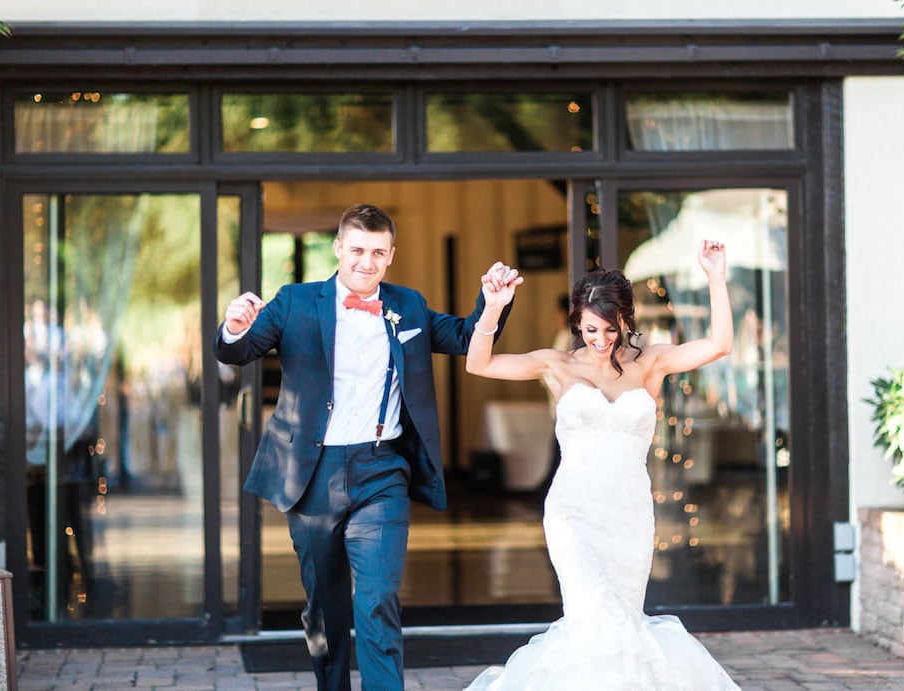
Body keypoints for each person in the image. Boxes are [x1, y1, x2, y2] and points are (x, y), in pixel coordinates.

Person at [213, 203, 521, 691]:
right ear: (338, 248)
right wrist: (234, 326)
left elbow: (465, 338)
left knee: (377, 599)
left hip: (382, 471)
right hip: (312, 474)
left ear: (391, 255)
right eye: (357, 249)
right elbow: (238, 350)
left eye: (378, 252)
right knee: (325, 608)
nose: (366, 262)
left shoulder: (409, 305)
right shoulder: (295, 302)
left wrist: (493, 302)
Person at [464, 240, 739, 690]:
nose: (600, 341)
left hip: (629, 517)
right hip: (573, 514)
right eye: (591, 330)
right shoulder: (556, 366)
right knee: (593, 617)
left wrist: (715, 278)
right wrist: (493, 307)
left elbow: (720, 344)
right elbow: (479, 363)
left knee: (623, 627)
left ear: (626, 322)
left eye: (610, 331)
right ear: (578, 323)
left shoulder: (651, 363)